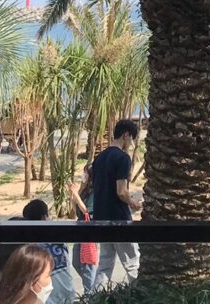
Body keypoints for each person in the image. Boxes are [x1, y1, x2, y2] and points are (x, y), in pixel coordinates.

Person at [91, 119, 142, 289]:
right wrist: (133, 203)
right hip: (119, 219)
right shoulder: (122, 158)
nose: (131, 143)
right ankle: (141, 297)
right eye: (131, 139)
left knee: (104, 264)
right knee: (132, 263)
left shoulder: (99, 158)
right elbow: (121, 191)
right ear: (126, 135)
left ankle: (96, 298)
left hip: (100, 218)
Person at [18, 199, 74, 303]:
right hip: (68, 292)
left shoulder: (30, 247)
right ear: (44, 217)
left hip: (47, 298)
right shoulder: (59, 235)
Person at [69, 163, 98, 293]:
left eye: (85, 172)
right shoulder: (84, 190)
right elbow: (76, 212)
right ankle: (93, 287)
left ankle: (90, 293)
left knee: (87, 265)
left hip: (88, 233)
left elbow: (88, 211)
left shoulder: (94, 193)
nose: (83, 175)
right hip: (79, 230)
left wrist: (76, 196)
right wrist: (73, 197)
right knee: (76, 262)